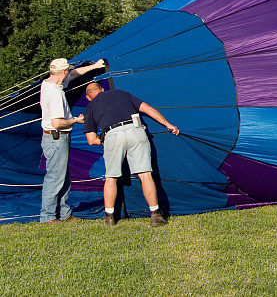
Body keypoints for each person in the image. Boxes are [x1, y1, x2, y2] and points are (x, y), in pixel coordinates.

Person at [83, 82, 180, 227]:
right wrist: (167, 124)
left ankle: (110, 217)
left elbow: (91, 140)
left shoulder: (90, 107)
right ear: (103, 89)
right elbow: (147, 109)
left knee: (111, 177)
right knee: (145, 174)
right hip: (135, 129)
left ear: (88, 97)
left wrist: (105, 141)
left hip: (112, 134)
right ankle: (156, 215)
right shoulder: (121, 93)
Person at [39, 57, 106, 224]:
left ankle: (64, 214)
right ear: (63, 72)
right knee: (55, 178)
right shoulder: (54, 93)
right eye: (67, 70)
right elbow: (57, 123)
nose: (70, 72)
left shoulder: (49, 83)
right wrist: (76, 120)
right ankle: (47, 217)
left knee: (63, 176)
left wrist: (95, 67)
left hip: (55, 138)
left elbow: (74, 74)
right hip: (56, 137)